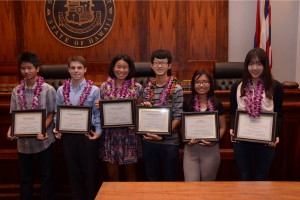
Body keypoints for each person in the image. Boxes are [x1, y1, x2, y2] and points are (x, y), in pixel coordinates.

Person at [6, 52, 56, 200]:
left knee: (47, 176)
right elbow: (14, 116)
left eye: (29, 68)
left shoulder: (48, 89)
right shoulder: (16, 91)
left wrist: (41, 129)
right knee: (25, 178)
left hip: (44, 140)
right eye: (23, 68)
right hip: (24, 142)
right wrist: (11, 130)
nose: (26, 71)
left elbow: (52, 114)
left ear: (37, 69)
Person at [229, 48, 283, 181]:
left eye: (259, 64)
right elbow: (232, 111)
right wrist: (232, 128)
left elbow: (279, 114)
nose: (254, 68)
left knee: (261, 178)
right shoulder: (237, 86)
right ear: (246, 65)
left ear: (265, 66)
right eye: (251, 64)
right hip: (242, 141)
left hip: (265, 141)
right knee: (244, 177)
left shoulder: (275, 87)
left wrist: (275, 135)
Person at [54, 56, 102, 200]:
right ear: (68, 70)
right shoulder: (61, 90)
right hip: (68, 136)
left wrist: (98, 132)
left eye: (79, 68)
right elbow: (57, 112)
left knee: (89, 172)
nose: (76, 71)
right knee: (73, 172)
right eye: (73, 68)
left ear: (85, 70)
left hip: (88, 135)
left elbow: (97, 112)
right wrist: (57, 128)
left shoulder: (94, 90)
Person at [95, 54, 143, 181]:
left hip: (129, 136)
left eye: (125, 67)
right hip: (109, 137)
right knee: (112, 174)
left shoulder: (137, 87)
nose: (121, 70)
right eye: (118, 67)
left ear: (130, 69)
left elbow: (140, 111)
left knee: (131, 173)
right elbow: (101, 113)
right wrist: (99, 105)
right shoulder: (104, 87)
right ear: (113, 68)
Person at [141, 49, 183, 181]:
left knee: (170, 180)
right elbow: (144, 116)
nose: (160, 66)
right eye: (156, 63)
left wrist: (161, 136)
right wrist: (144, 108)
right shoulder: (147, 89)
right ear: (151, 65)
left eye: (163, 63)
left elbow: (178, 117)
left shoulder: (177, 88)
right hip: (148, 141)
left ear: (169, 66)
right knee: (151, 179)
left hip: (169, 143)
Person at [183, 69, 226, 181]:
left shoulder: (217, 103)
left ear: (210, 84)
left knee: (208, 187)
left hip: (210, 150)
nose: (201, 85)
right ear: (193, 85)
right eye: (197, 82)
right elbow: (182, 128)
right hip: (191, 150)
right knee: (191, 186)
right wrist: (187, 140)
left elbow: (223, 127)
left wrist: (215, 140)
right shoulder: (187, 103)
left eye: (205, 81)